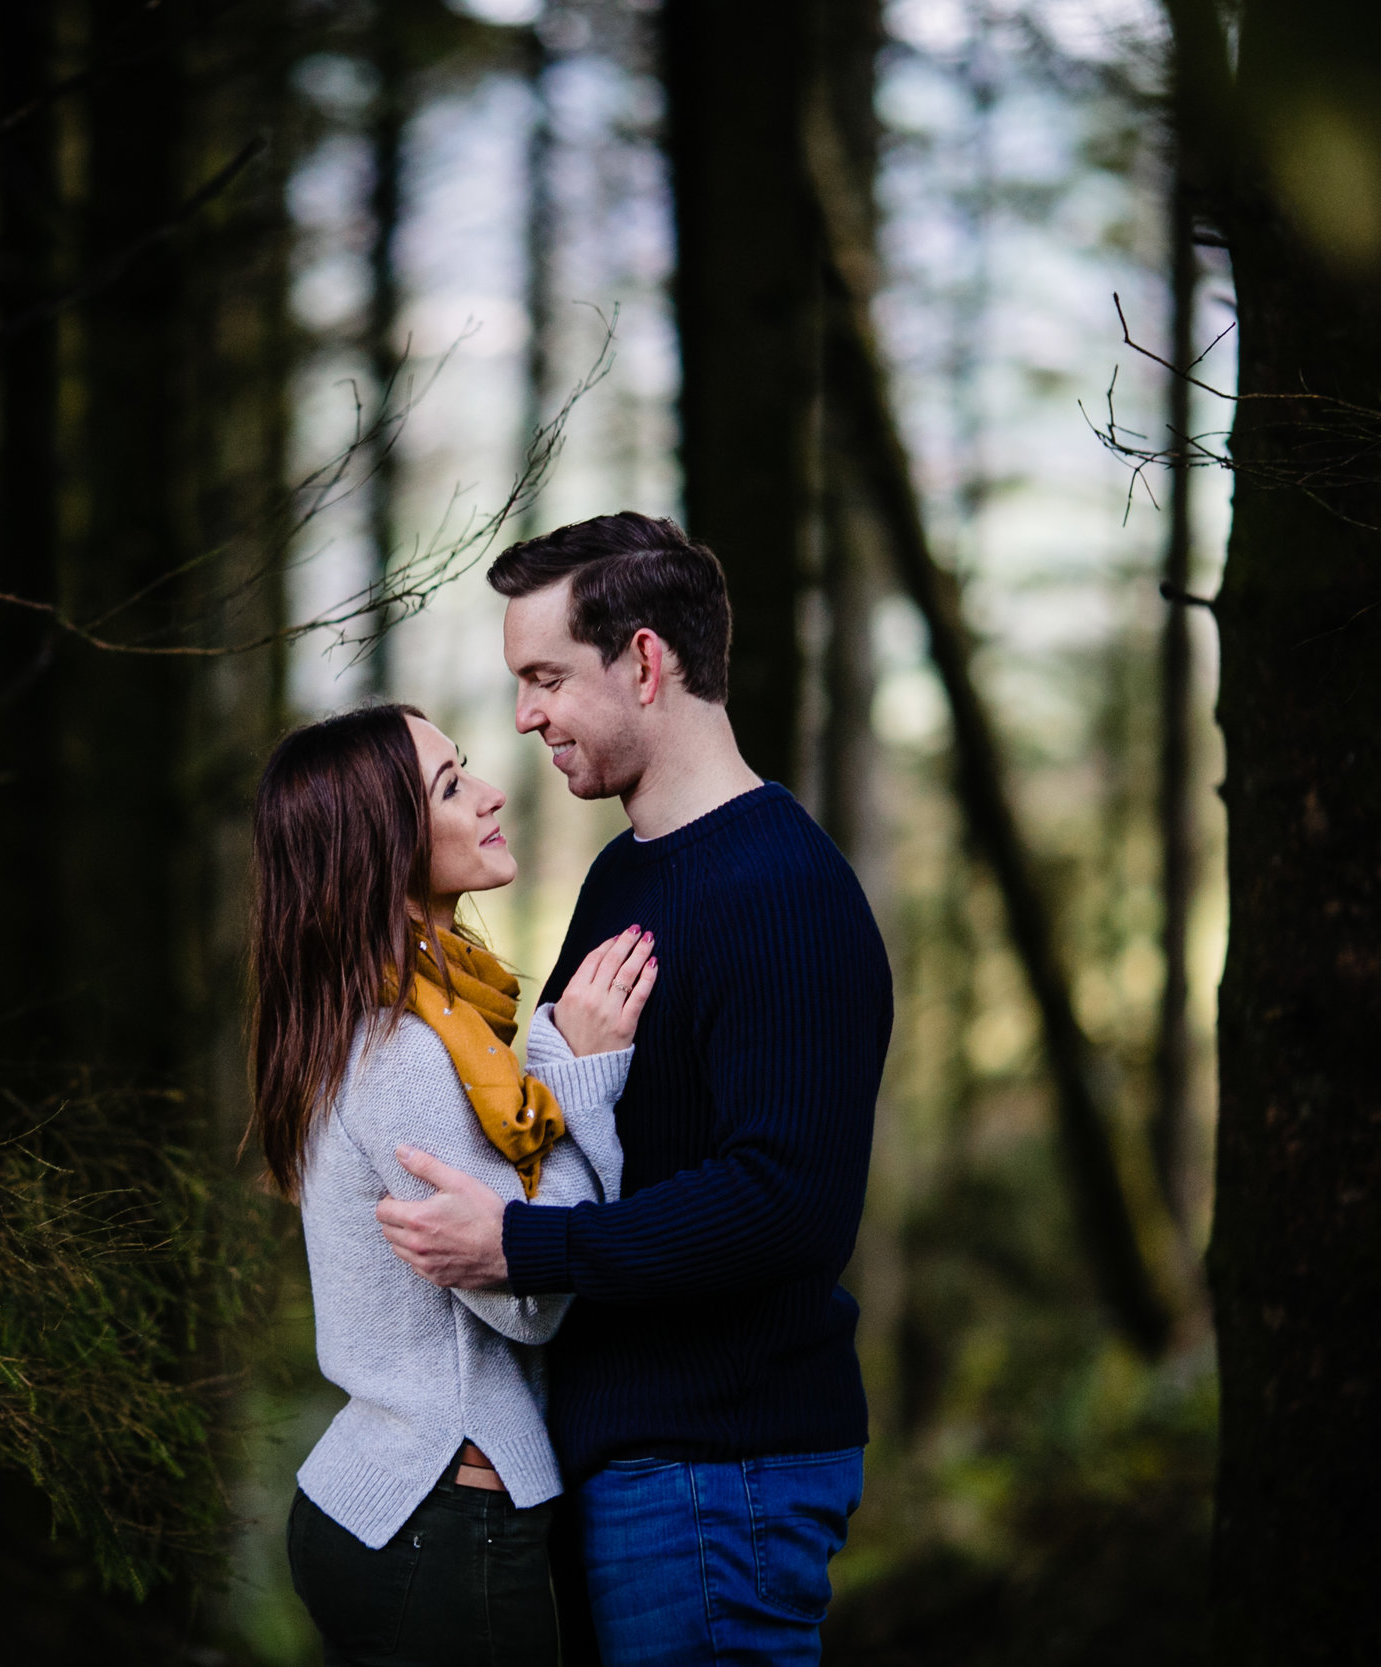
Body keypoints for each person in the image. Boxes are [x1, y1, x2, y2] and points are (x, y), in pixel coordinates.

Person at [375, 514, 893, 1667]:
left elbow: (784, 1199)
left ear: (646, 662)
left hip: (722, 1467)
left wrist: (527, 1246)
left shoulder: (785, 891)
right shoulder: (625, 872)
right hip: (625, 1454)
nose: (524, 716)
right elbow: (569, 1114)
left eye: (546, 676)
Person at [250, 702, 660, 1667]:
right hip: (443, 1511)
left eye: (463, 768)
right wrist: (579, 1075)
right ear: (381, 850)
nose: (487, 793)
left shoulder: (385, 1021)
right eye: (447, 787)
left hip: (397, 1503)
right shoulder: (404, 1054)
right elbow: (530, 1300)